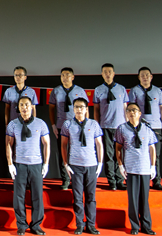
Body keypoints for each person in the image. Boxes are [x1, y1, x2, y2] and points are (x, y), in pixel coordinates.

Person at [6, 96, 50, 236]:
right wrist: (10, 164)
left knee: (37, 196)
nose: (24, 107)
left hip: (36, 164)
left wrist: (46, 163)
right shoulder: (13, 124)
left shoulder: (40, 123)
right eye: (21, 105)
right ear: (18, 108)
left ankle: (36, 225)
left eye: (26, 105)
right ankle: (21, 225)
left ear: (31, 107)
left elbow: (46, 143)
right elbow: (8, 144)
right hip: (19, 164)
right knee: (19, 196)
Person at [61, 98, 103, 235]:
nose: (79, 109)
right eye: (76, 107)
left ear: (86, 109)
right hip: (75, 165)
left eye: (81, 107)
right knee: (78, 197)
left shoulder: (94, 124)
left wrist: (100, 163)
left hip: (91, 164)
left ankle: (91, 225)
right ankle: (80, 224)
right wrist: (66, 164)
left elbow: (99, 144)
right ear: (73, 109)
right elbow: (63, 145)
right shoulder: (68, 124)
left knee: (91, 197)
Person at [115, 103, 158, 236]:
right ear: (126, 114)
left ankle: (146, 226)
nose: (131, 112)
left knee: (144, 199)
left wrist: (153, 166)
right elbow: (118, 148)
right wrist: (121, 165)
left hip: (145, 168)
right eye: (129, 110)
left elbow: (152, 148)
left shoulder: (147, 129)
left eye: (134, 110)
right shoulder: (122, 128)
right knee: (133, 199)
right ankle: (134, 225)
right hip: (131, 168)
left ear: (140, 113)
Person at [128, 67, 162, 191]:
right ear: (138, 77)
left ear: (151, 76)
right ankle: (141, 180)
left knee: (156, 154)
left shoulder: (157, 91)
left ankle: (157, 181)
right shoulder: (134, 91)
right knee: (141, 153)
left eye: (147, 75)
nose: (145, 77)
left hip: (156, 127)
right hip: (141, 127)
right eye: (142, 75)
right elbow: (131, 108)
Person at [48, 67, 88, 190]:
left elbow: (86, 109)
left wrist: (85, 125)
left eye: (67, 75)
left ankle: (77, 180)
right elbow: (51, 108)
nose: (65, 77)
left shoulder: (80, 90)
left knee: (77, 152)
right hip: (61, 126)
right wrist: (53, 125)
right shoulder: (56, 91)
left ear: (72, 77)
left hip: (77, 126)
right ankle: (65, 179)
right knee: (63, 153)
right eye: (62, 75)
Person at [93, 63, 128, 191]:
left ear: (114, 74)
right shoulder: (98, 90)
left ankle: (120, 179)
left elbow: (125, 108)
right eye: (105, 72)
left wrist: (127, 124)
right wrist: (96, 125)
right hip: (105, 126)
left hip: (120, 126)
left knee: (120, 154)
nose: (107, 74)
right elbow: (96, 109)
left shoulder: (121, 89)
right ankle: (111, 180)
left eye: (110, 71)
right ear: (102, 74)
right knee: (108, 154)